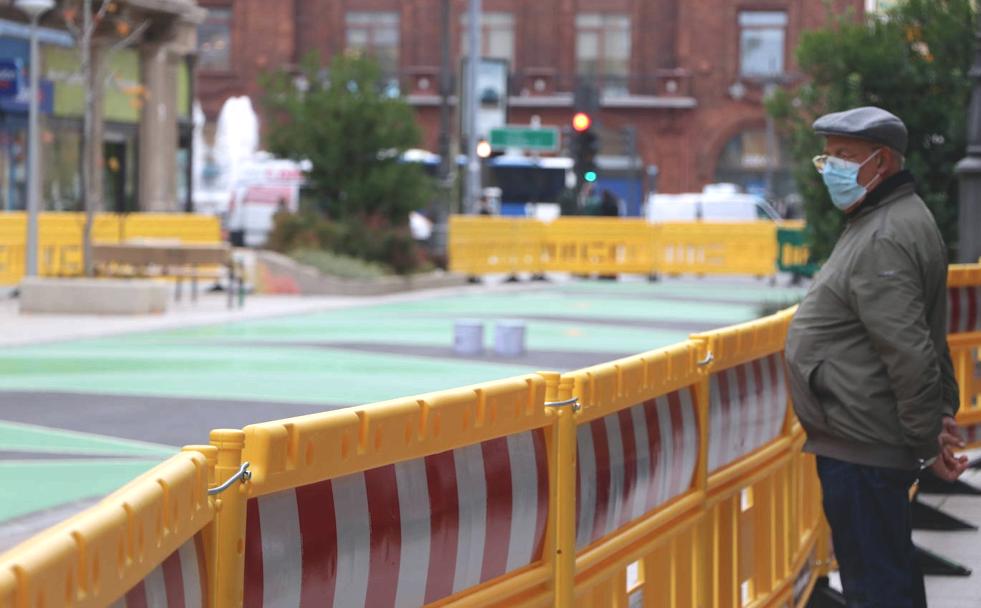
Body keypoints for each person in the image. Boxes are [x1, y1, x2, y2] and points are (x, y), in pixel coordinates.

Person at [785, 106, 968, 607]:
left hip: (865, 440)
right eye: (828, 158)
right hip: (867, 434)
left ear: (881, 162)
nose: (832, 169)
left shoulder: (885, 232)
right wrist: (937, 418)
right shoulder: (888, 219)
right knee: (888, 569)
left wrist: (928, 441)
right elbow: (928, 334)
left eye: (844, 156)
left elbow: (907, 348)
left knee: (876, 581)